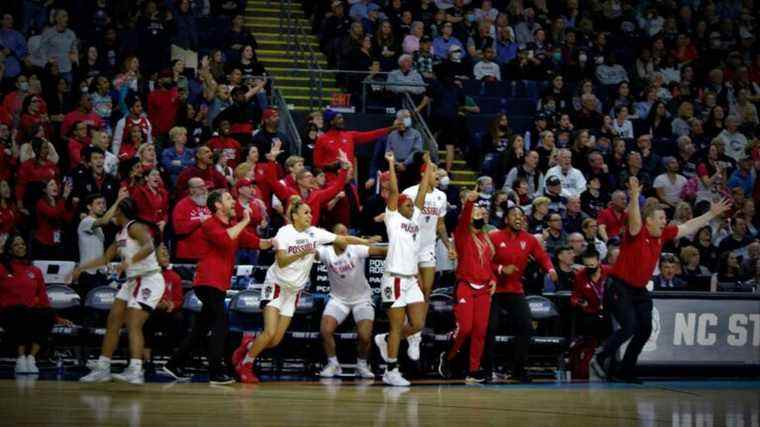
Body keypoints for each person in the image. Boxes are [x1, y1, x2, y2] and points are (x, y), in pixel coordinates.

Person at [590, 177, 731, 383]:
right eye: (661, 218)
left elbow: (688, 226)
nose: (665, 220)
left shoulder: (663, 234)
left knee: (645, 329)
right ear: (649, 220)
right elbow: (635, 221)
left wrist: (711, 214)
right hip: (619, 286)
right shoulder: (637, 233)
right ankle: (600, 357)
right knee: (629, 326)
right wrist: (635, 195)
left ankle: (625, 371)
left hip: (639, 290)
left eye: (665, 218)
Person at [232, 198, 370, 384]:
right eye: (306, 212)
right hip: (276, 286)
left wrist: (364, 241)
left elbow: (342, 239)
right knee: (269, 332)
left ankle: (248, 344)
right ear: (295, 216)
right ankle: (246, 365)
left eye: (311, 212)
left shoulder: (315, 233)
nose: (310, 215)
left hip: (293, 292)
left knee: (275, 341)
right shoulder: (284, 232)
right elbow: (281, 261)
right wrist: (303, 251)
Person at [164, 189, 270, 385]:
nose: (233, 202)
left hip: (218, 283)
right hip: (207, 282)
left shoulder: (233, 226)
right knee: (220, 322)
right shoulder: (209, 223)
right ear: (218, 205)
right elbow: (224, 239)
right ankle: (215, 371)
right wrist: (245, 221)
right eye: (228, 199)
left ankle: (173, 364)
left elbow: (257, 243)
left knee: (201, 329)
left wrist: (277, 242)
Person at [74, 198, 166, 385]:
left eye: (114, 211)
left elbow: (149, 246)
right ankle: (103, 367)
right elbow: (105, 258)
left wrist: (128, 262)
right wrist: (80, 269)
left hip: (149, 279)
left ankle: (135, 369)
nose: (111, 214)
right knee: (113, 321)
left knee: (133, 324)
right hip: (132, 281)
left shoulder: (135, 227)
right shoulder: (120, 235)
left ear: (120, 213)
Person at [373, 151, 431, 387]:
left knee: (417, 324)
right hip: (394, 279)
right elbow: (396, 192)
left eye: (410, 204)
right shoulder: (393, 218)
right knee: (397, 326)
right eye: (405, 203)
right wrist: (390, 163)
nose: (409, 205)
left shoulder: (415, 218)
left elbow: (423, 192)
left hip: (411, 279)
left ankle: (385, 340)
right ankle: (391, 370)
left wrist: (427, 167)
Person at [485, 205, 558, 383]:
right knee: (490, 327)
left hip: (514, 289)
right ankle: (487, 369)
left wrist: (550, 268)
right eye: (514, 215)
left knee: (526, 326)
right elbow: (483, 261)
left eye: (521, 216)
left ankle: (516, 369)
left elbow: (542, 256)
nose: (518, 218)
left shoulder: (530, 239)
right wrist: (501, 268)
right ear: (506, 219)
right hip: (493, 289)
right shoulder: (494, 237)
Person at [437, 189, 495, 383]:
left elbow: (488, 263)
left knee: (480, 331)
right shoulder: (461, 234)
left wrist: (493, 278)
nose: (479, 213)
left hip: (485, 288)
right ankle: (449, 357)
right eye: (476, 211)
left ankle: (473, 369)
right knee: (465, 329)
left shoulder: (486, 238)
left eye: (481, 211)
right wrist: (469, 203)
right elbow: (463, 219)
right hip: (466, 285)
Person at [401, 160, 455, 361]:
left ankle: (415, 335)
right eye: (435, 172)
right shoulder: (410, 192)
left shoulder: (441, 196)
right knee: (413, 288)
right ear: (425, 174)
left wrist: (448, 245)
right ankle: (411, 323)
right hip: (410, 246)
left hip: (428, 247)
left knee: (426, 290)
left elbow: (440, 224)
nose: (439, 175)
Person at [317, 224, 387, 379]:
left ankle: (362, 365)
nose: (345, 235)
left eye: (346, 232)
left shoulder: (356, 249)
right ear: (333, 237)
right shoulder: (326, 252)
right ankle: (333, 364)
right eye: (340, 233)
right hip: (338, 299)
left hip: (362, 299)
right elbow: (311, 253)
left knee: (364, 336)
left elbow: (380, 251)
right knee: (325, 330)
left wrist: (399, 250)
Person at [0, 235, 73, 375]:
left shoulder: (35, 271)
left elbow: (43, 298)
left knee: (47, 313)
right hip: (7, 311)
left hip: (28, 312)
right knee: (19, 310)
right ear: (9, 249)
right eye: (16, 245)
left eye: (22, 244)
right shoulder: (2, 268)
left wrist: (56, 318)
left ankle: (31, 358)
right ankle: (20, 359)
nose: (21, 247)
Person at [142, 244, 184, 374]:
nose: (166, 256)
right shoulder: (147, 275)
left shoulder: (175, 277)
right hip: (151, 310)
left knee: (180, 319)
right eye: (163, 254)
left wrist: (173, 305)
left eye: (167, 254)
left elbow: (178, 300)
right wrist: (156, 304)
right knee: (146, 319)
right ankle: (147, 362)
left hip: (168, 312)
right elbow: (143, 296)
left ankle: (175, 362)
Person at [76, 191, 127, 292]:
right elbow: (104, 220)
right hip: (87, 273)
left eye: (103, 203)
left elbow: (96, 249)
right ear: (89, 207)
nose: (102, 206)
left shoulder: (98, 228)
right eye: (98, 203)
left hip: (99, 273)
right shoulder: (86, 221)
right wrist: (118, 201)